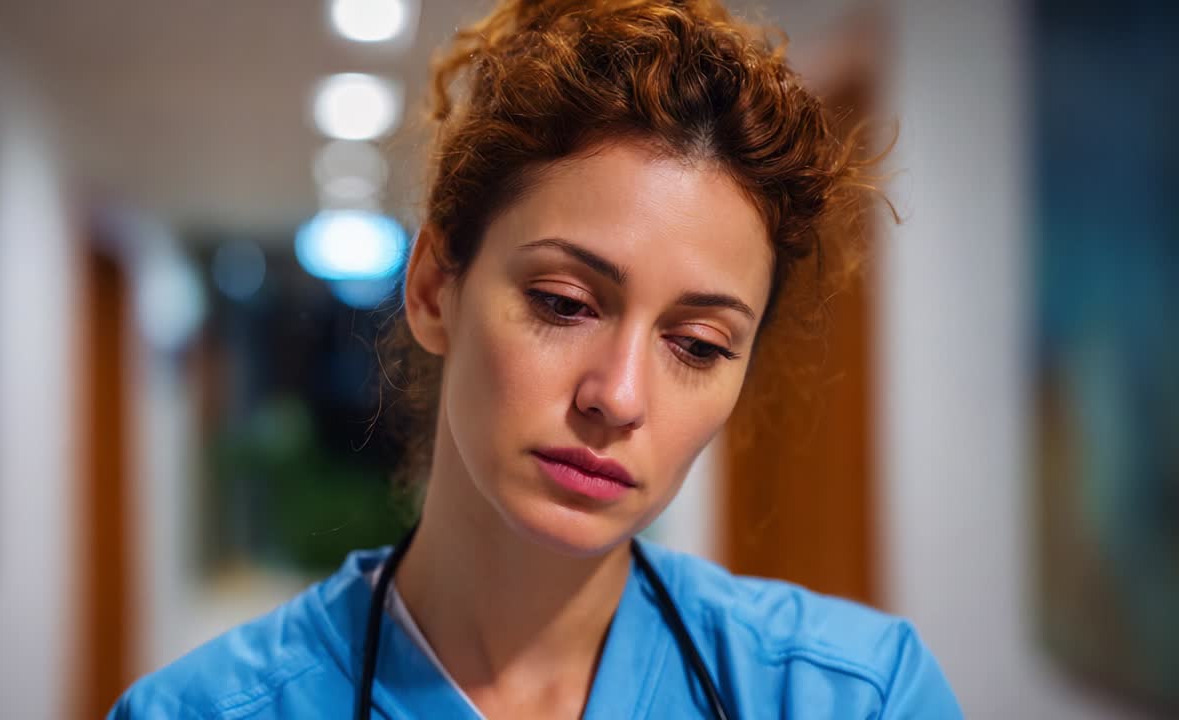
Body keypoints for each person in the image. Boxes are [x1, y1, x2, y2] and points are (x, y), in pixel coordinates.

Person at [110, 0, 962, 717]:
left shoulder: (851, 696)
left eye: (698, 345)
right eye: (564, 303)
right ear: (436, 289)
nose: (619, 395)